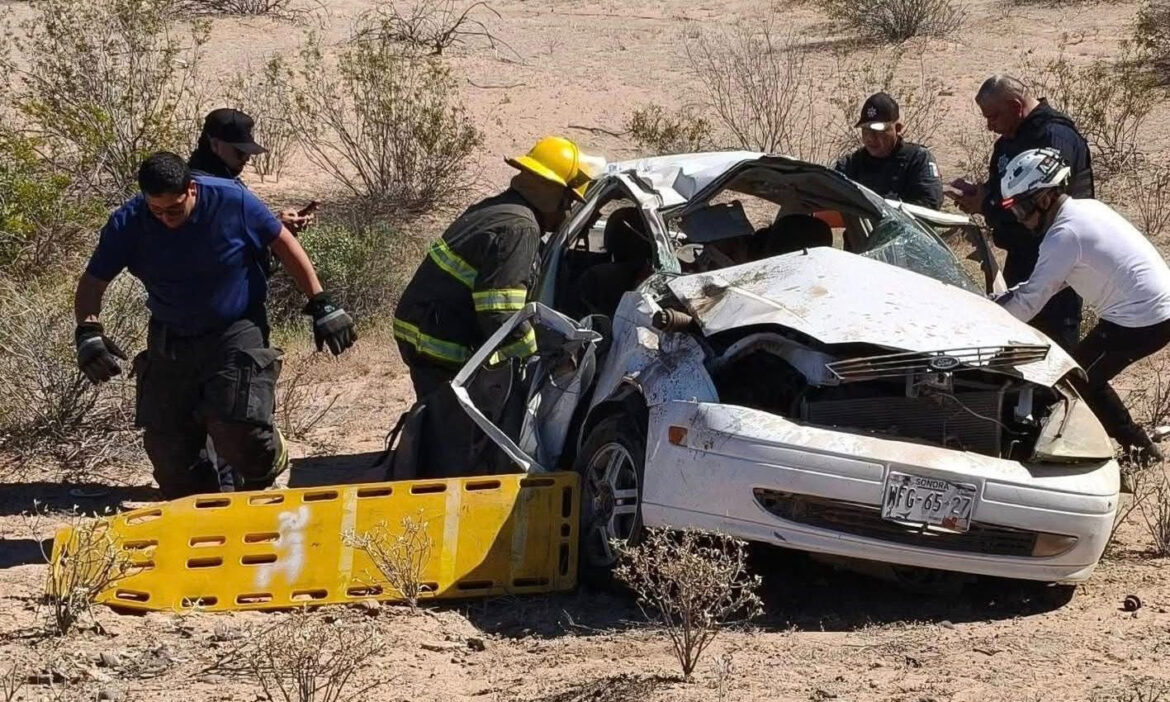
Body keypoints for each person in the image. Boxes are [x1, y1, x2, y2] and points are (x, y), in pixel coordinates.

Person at [74, 152, 357, 498]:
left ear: (191, 189)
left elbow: (282, 242)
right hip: (171, 333)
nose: (165, 219)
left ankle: (272, 457)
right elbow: (93, 281)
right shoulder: (129, 221)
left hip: (235, 326)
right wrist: (88, 332)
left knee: (240, 432)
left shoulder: (231, 200)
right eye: (156, 210)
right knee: (172, 460)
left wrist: (321, 303)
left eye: (174, 209)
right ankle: (205, 503)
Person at [392, 135, 602, 476]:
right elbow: (499, 311)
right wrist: (537, 353)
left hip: (423, 326)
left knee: (439, 418)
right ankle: (437, 487)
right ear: (552, 193)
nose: (567, 212)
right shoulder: (521, 228)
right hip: (440, 339)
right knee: (455, 433)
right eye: (567, 201)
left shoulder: (499, 208)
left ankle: (427, 467)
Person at [993, 148, 1170, 464]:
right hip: (1152, 309)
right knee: (1085, 376)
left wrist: (988, 317)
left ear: (1044, 198)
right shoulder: (1086, 209)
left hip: (1142, 319)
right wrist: (1003, 299)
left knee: (1079, 381)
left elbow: (1029, 303)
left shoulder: (1064, 235)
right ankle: (1136, 447)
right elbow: (1048, 283)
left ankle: (1141, 451)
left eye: (1020, 207)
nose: (1018, 217)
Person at [949, 75, 1094, 351]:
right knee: (1017, 345)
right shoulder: (1007, 142)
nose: (990, 126)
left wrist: (987, 204)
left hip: (1057, 261)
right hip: (1021, 258)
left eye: (994, 116)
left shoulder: (1054, 137)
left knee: (1057, 350)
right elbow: (1001, 190)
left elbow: (1044, 199)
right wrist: (978, 195)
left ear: (1016, 106)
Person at [189, 108, 315, 235]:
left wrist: (275, 224)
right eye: (240, 151)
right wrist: (274, 228)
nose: (247, 158)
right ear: (215, 145)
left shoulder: (206, 180)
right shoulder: (208, 189)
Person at [834, 92, 943, 209]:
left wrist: (890, 206)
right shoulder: (851, 164)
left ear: (897, 128)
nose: (870, 138)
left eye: (878, 131)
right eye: (865, 130)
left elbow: (929, 204)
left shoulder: (917, 159)